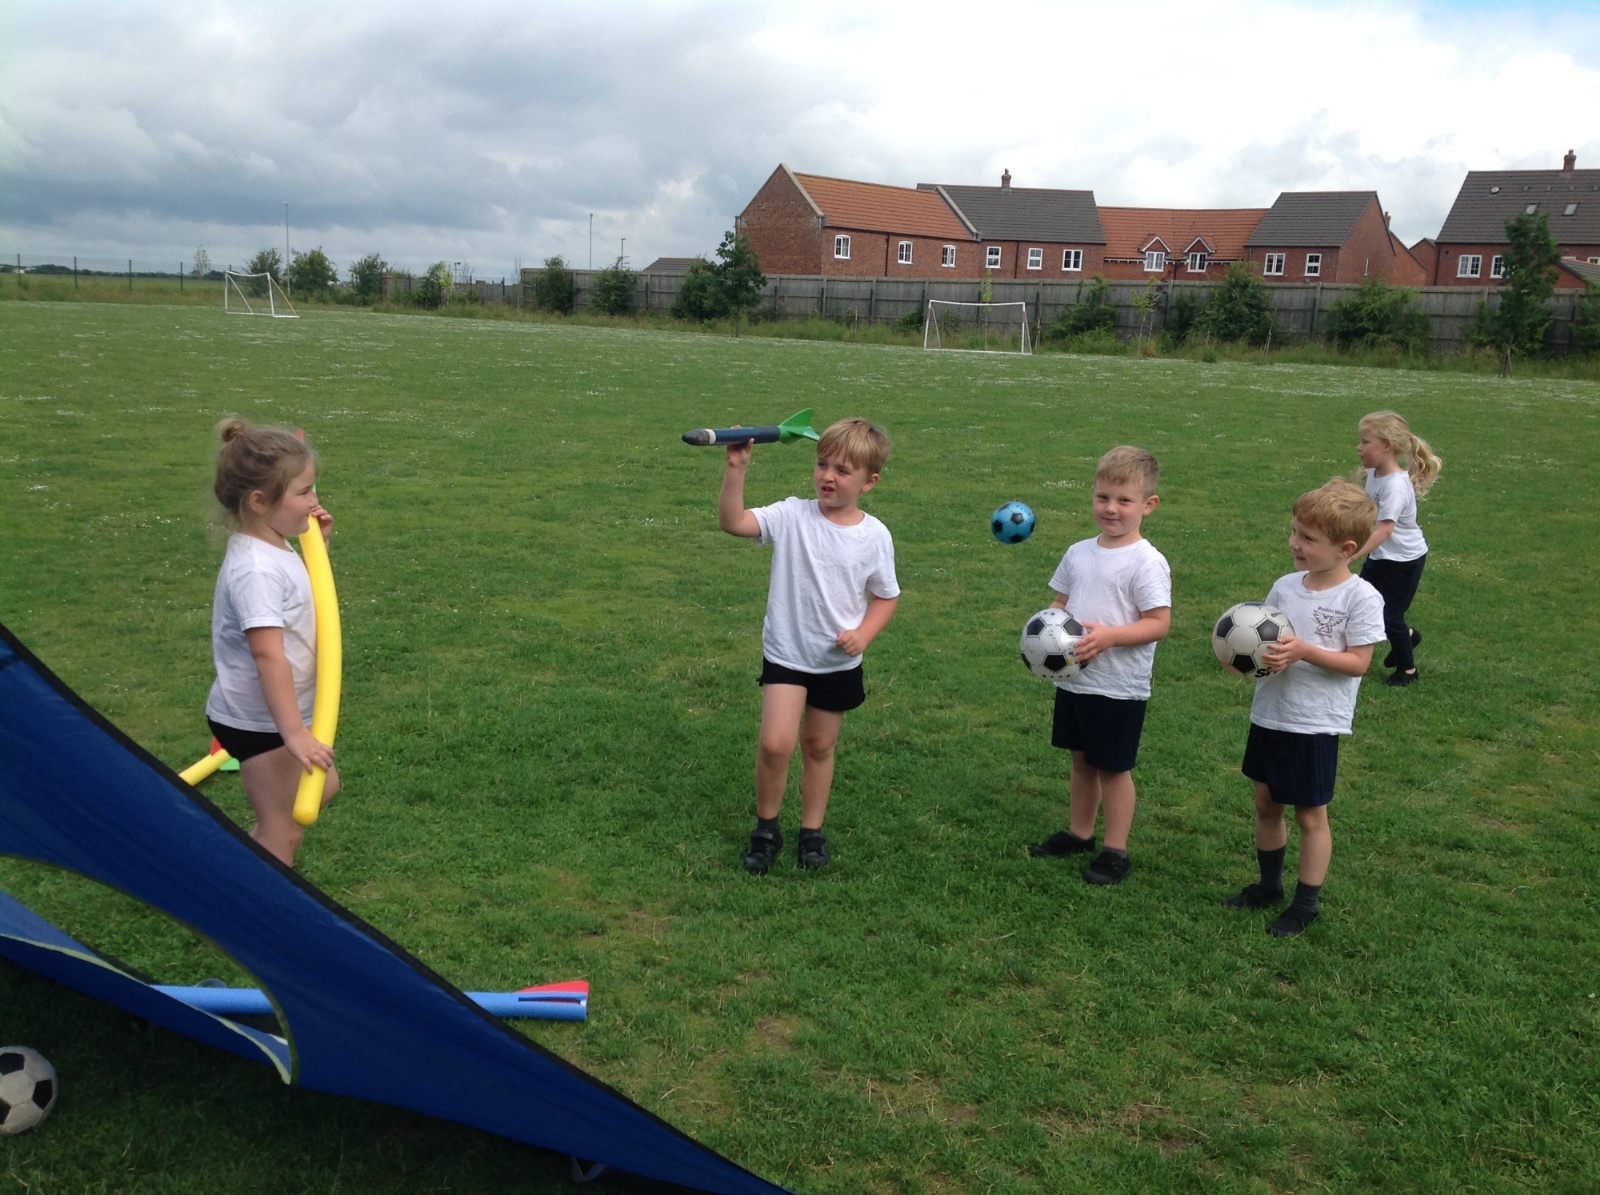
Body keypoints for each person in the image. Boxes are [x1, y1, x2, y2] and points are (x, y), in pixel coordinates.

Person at [719, 417, 899, 874]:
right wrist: (736, 468)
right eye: (822, 465)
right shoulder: (791, 515)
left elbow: (886, 596)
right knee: (775, 744)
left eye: (842, 470)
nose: (827, 476)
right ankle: (766, 830)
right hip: (787, 654)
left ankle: (811, 832)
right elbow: (734, 522)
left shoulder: (875, 536)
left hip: (836, 663)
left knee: (819, 745)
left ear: (869, 482)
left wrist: (864, 634)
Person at [1226, 477, 1384, 937]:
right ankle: (1268, 886)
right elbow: (1262, 640)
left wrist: (1304, 651)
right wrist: (1249, 660)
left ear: (1346, 549)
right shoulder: (1285, 586)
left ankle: (1305, 904)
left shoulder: (1360, 597)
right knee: (1266, 802)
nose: (1294, 543)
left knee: (1310, 814)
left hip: (1314, 722)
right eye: (1294, 531)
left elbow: (1358, 663)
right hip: (1271, 713)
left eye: (1308, 538)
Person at [1029, 446, 1171, 886]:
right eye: (1103, 497)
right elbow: (1060, 602)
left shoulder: (1147, 562)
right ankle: (1080, 833)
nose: (1111, 508)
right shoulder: (1078, 553)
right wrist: (1044, 631)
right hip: (1075, 681)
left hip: (1118, 687)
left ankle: (1116, 850)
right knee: (1081, 761)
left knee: (1112, 768)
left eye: (1124, 500)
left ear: (1148, 505)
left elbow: (1158, 623)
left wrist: (1110, 637)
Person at [205, 419, 339, 866]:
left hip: (277, 714)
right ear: (260, 501)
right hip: (260, 722)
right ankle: (248, 898)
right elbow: (268, 654)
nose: (314, 501)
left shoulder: (275, 546)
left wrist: (317, 549)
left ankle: (242, 860)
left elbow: (299, 599)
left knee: (323, 786)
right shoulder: (256, 570)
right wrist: (294, 734)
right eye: (303, 492)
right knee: (283, 831)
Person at [1354, 410, 1442, 687]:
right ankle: (1408, 636)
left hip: (1404, 560)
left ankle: (1408, 670)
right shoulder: (1374, 473)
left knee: (1389, 616)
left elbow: (1384, 529)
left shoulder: (1395, 486)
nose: (1359, 448)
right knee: (1362, 604)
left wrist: (1351, 556)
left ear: (1387, 446)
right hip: (1381, 556)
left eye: (1365, 442)